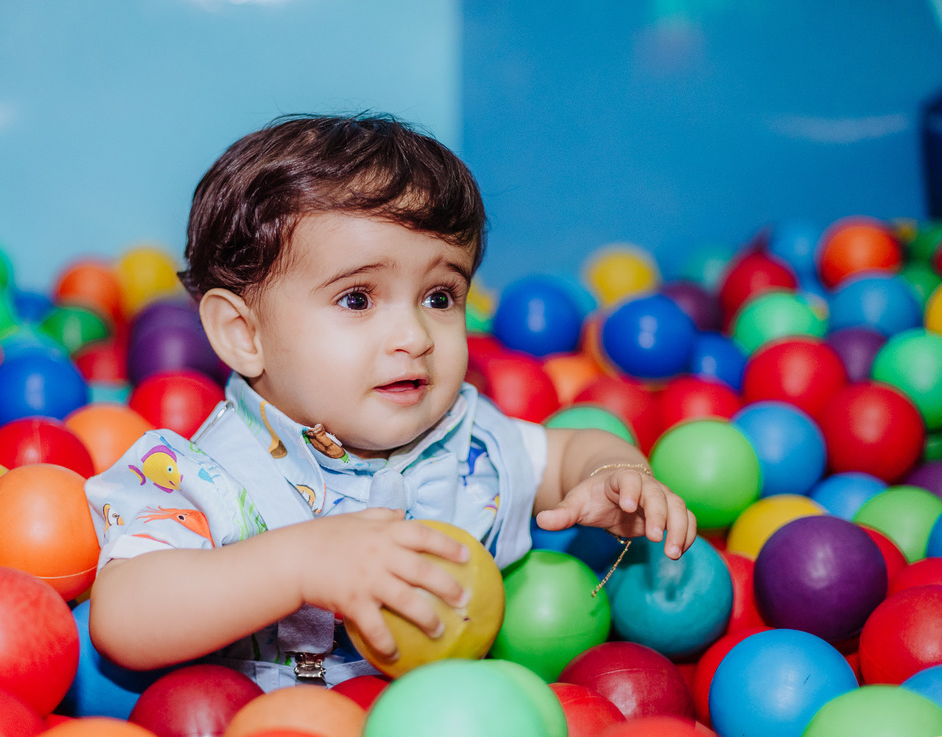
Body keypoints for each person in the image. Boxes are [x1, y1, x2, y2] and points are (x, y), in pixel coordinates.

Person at [86, 113, 697, 690]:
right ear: (245, 335)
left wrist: (615, 475)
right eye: (357, 299)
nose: (414, 337)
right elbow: (124, 616)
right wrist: (299, 565)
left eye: (438, 296)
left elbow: (566, 454)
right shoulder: (214, 478)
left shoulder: (465, 443)